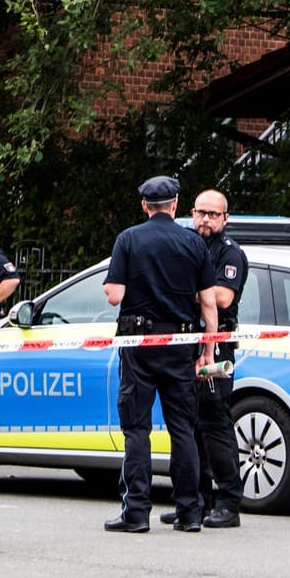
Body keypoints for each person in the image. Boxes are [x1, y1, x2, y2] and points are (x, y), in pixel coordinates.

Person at [102, 175, 218, 533]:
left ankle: (136, 512)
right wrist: (207, 350)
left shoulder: (129, 239)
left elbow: (114, 295)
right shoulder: (194, 243)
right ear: (175, 204)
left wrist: (114, 281)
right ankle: (189, 512)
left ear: (144, 206)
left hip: (138, 344)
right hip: (181, 343)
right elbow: (209, 304)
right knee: (182, 428)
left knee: (137, 428)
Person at [160, 188, 246, 530]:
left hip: (216, 345)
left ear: (225, 218)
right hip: (186, 342)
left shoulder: (230, 253)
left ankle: (228, 502)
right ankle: (195, 500)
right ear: (191, 213)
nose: (205, 219)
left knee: (215, 424)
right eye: (200, 213)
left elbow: (222, 299)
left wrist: (177, 288)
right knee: (188, 425)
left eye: (213, 214)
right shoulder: (186, 244)